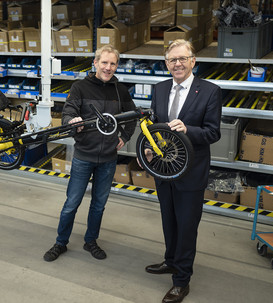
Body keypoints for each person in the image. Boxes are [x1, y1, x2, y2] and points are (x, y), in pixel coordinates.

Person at [144, 39, 222, 303]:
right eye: (172, 60)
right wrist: (150, 149)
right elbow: (154, 127)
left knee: (187, 225)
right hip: (165, 169)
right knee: (169, 219)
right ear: (166, 64)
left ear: (193, 61)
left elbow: (213, 132)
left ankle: (181, 280)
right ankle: (171, 261)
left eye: (182, 58)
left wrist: (188, 130)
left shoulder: (210, 91)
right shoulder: (159, 88)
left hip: (191, 170)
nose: (177, 64)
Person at [43, 45, 136, 262]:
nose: (108, 67)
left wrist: (125, 137)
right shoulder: (80, 87)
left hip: (108, 159)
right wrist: (72, 122)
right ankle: (60, 242)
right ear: (95, 63)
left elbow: (132, 116)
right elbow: (68, 113)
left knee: (99, 204)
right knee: (72, 203)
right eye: (104, 62)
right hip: (84, 156)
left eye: (113, 63)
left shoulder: (119, 90)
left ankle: (90, 241)